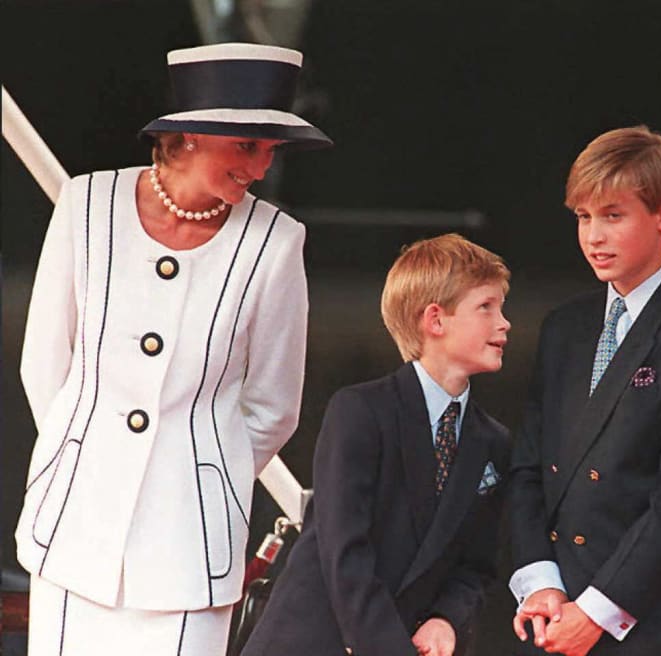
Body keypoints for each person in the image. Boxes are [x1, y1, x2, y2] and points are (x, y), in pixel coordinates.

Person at [15, 42, 331, 655]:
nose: (262, 168)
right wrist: (84, 456)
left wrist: (203, 476)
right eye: (247, 145)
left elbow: (274, 406)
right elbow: (44, 363)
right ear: (187, 135)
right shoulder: (86, 206)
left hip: (189, 551)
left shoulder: (276, 242)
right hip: (72, 531)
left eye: (271, 149)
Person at [508, 125, 661, 655]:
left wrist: (596, 610)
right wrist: (541, 581)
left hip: (646, 625)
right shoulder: (563, 328)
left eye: (613, 216)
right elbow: (527, 468)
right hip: (551, 617)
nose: (594, 236)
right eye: (583, 217)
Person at [241, 233, 512, 656]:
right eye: (486, 307)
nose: (504, 322)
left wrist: (446, 619)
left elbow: (475, 566)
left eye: (502, 307)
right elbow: (344, 551)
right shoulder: (360, 412)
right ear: (435, 320)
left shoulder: (492, 441)